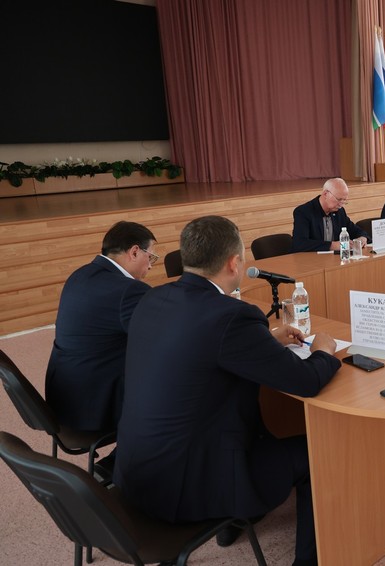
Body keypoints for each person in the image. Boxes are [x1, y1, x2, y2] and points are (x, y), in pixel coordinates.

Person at [114, 215, 341, 566]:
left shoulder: (152, 299)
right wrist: (324, 350)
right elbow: (306, 382)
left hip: (138, 473)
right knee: (318, 452)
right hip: (190, 484)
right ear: (234, 263)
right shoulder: (232, 316)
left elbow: (197, 347)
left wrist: (264, 340)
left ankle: (234, 524)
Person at [45, 221, 157, 434]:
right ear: (134, 252)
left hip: (64, 398)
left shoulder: (80, 275)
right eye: (150, 257)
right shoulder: (129, 291)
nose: (150, 266)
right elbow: (164, 339)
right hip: (97, 405)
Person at [291, 177, 368, 253]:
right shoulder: (303, 212)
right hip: (311, 259)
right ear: (325, 194)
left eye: (344, 200)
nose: (341, 204)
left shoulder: (339, 211)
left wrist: (362, 238)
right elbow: (300, 244)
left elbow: (356, 230)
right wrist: (333, 245)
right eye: (339, 199)